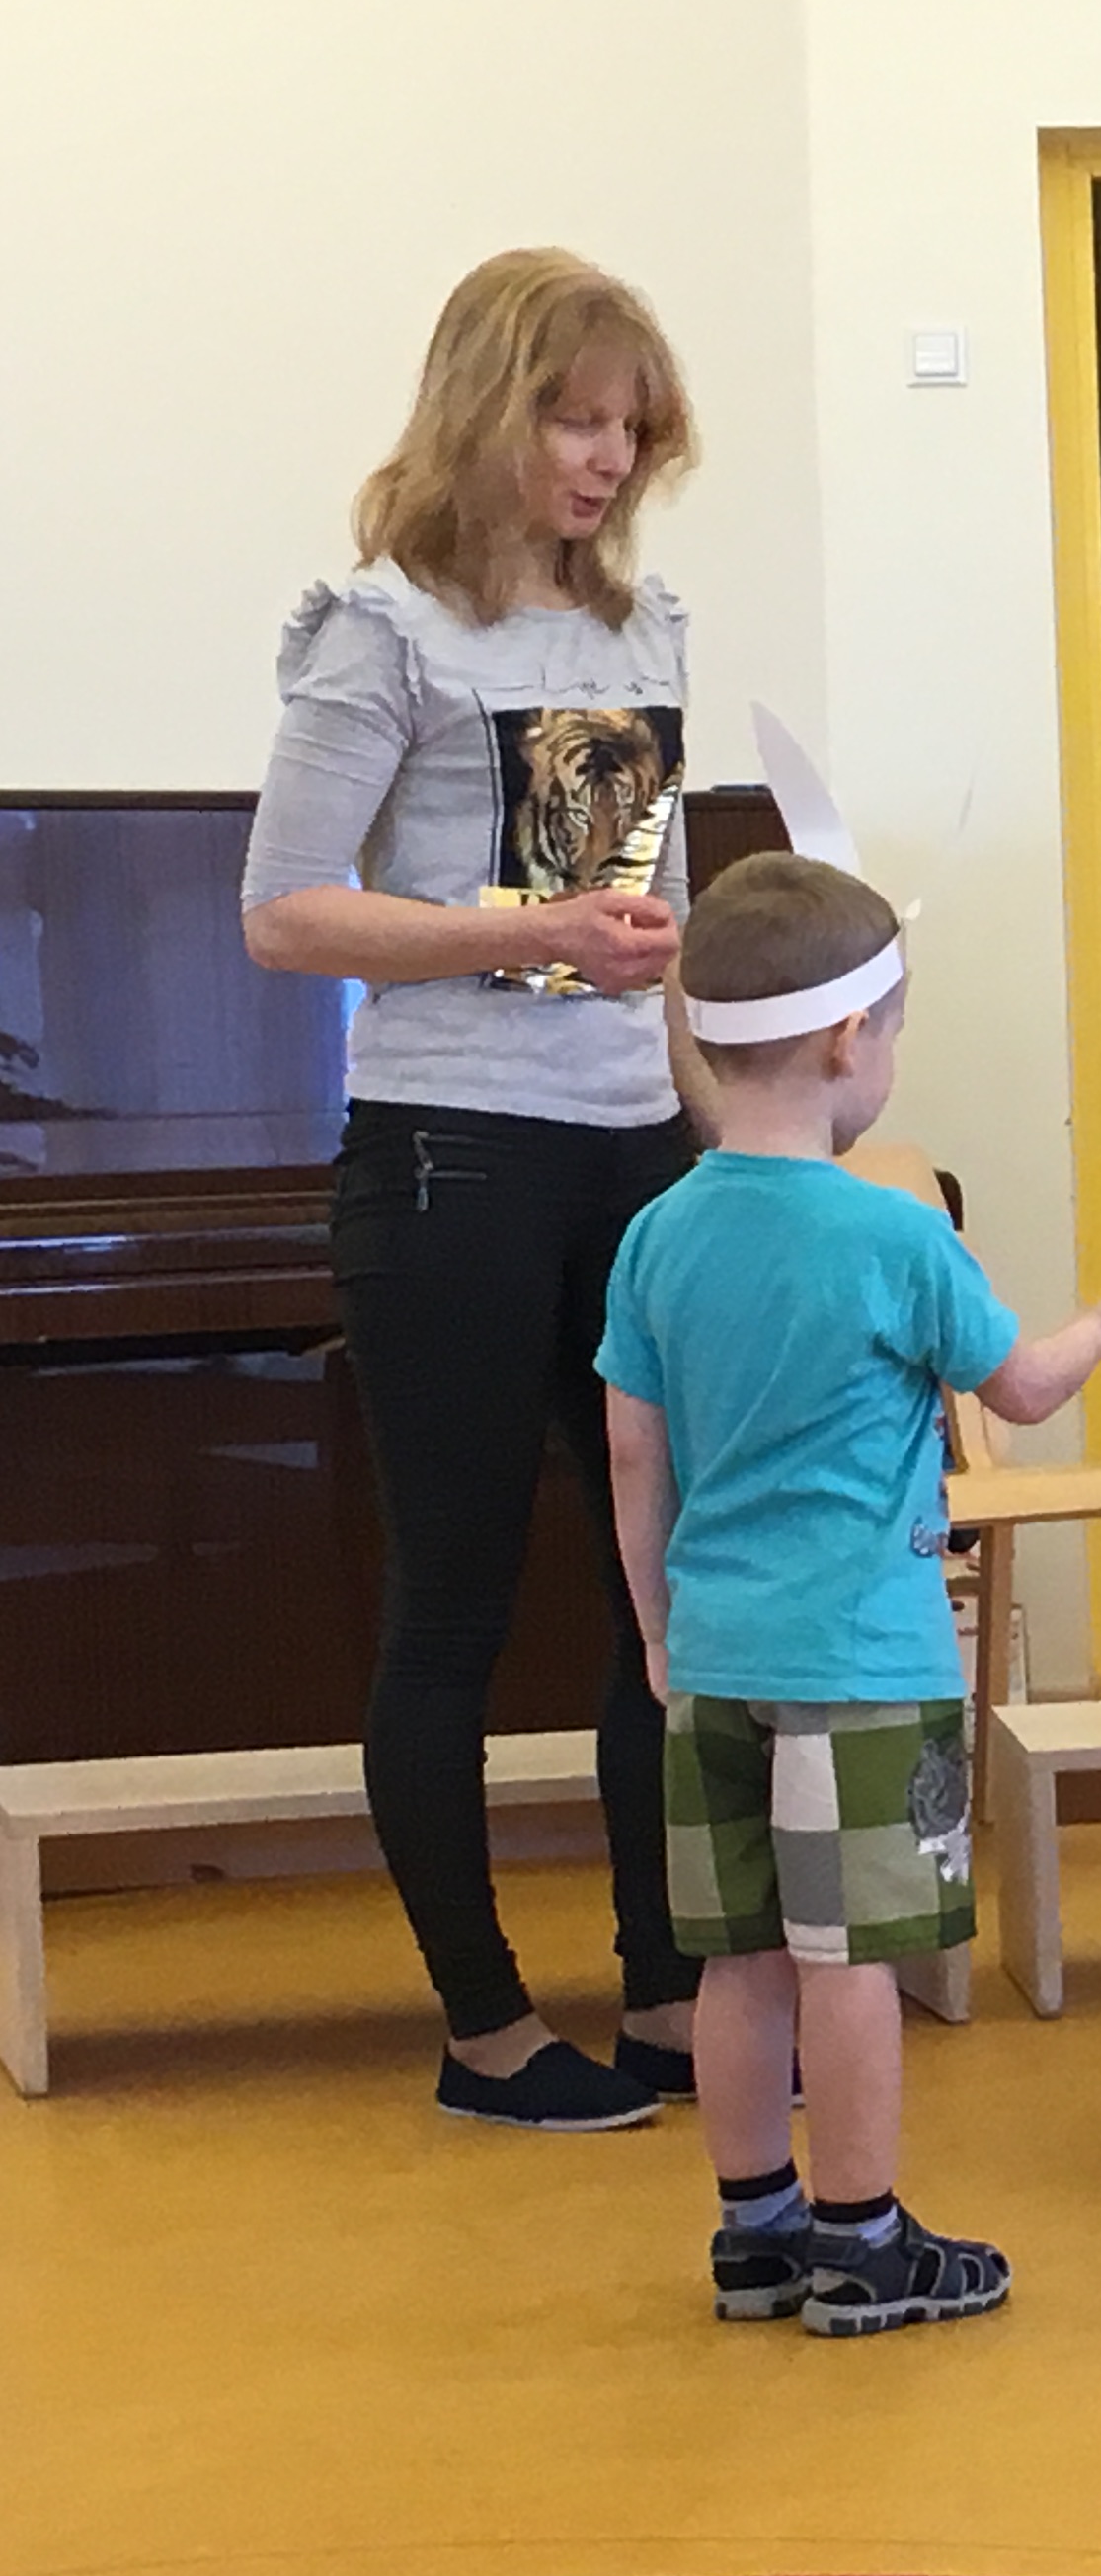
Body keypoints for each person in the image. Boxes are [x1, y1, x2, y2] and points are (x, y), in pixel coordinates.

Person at [240, 249, 711, 2131]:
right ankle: (488, 2025)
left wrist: (729, 1151)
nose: (604, 457)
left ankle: (667, 1989)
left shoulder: (641, 630)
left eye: (628, 427)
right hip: (450, 1148)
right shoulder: (383, 628)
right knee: (454, 1600)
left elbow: (644, 934)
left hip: (633, 1146)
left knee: (658, 1578)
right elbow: (286, 912)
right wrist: (528, 930)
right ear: (484, 409)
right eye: (572, 418)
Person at [598, 853, 1101, 2336]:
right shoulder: (895, 1235)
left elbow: (634, 1452)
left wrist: (655, 1628)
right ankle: (862, 2238)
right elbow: (1019, 1388)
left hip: (713, 1654)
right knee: (850, 1963)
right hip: (861, 1661)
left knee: (738, 1960)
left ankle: (755, 2234)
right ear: (852, 1041)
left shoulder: (658, 1234)